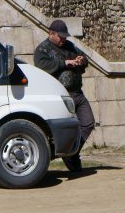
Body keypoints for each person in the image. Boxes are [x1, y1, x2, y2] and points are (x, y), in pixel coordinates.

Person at [33, 19, 94, 172]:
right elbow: (42, 67)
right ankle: (70, 154)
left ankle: (71, 153)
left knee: (88, 123)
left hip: (77, 93)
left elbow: (84, 58)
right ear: (51, 33)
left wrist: (81, 60)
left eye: (64, 37)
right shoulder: (42, 50)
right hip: (60, 96)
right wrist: (64, 63)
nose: (63, 39)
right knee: (66, 128)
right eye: (60, 36)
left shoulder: (69, 46)